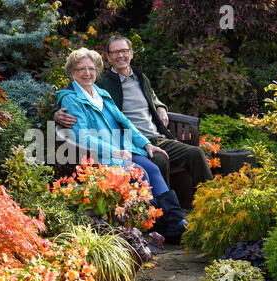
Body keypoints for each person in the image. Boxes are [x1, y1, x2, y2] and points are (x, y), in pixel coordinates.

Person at [56, 47, 187, 243]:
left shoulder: (101, 93)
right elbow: (82, 137)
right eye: (81, 69)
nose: (87, 73)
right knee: (139, 173)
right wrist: (114, 151)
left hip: (122, 148)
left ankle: (175, 222)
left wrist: (146, 144)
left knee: (153, 167)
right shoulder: (71, 98)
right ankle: (154, 226)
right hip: (100, 155)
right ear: (72, 72)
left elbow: (125, 122)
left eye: (91, 69)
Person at [54, 34, 213, 193]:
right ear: (108, 57)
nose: (120, 56)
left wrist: (160, 106)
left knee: (196, 153)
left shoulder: (140, 77)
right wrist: (55, 114)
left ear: (131, 53)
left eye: (124, 51)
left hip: (154, 137)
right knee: (159, 161)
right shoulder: (102, 84)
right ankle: (161, 209)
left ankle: (208, 200)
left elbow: (153, 97)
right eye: (115, 52)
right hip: (129, 142)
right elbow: (74, 94)